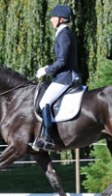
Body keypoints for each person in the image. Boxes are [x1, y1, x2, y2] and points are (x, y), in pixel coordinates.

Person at [34, 4, 80, 150]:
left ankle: (48, 137)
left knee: (44, 102)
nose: (51, 20)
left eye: (53, 18)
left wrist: (46, 70)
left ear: (61, 19)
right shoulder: (63, 33)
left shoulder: (64, 34)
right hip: (62, 75)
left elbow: (62, 61)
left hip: (66, 76)